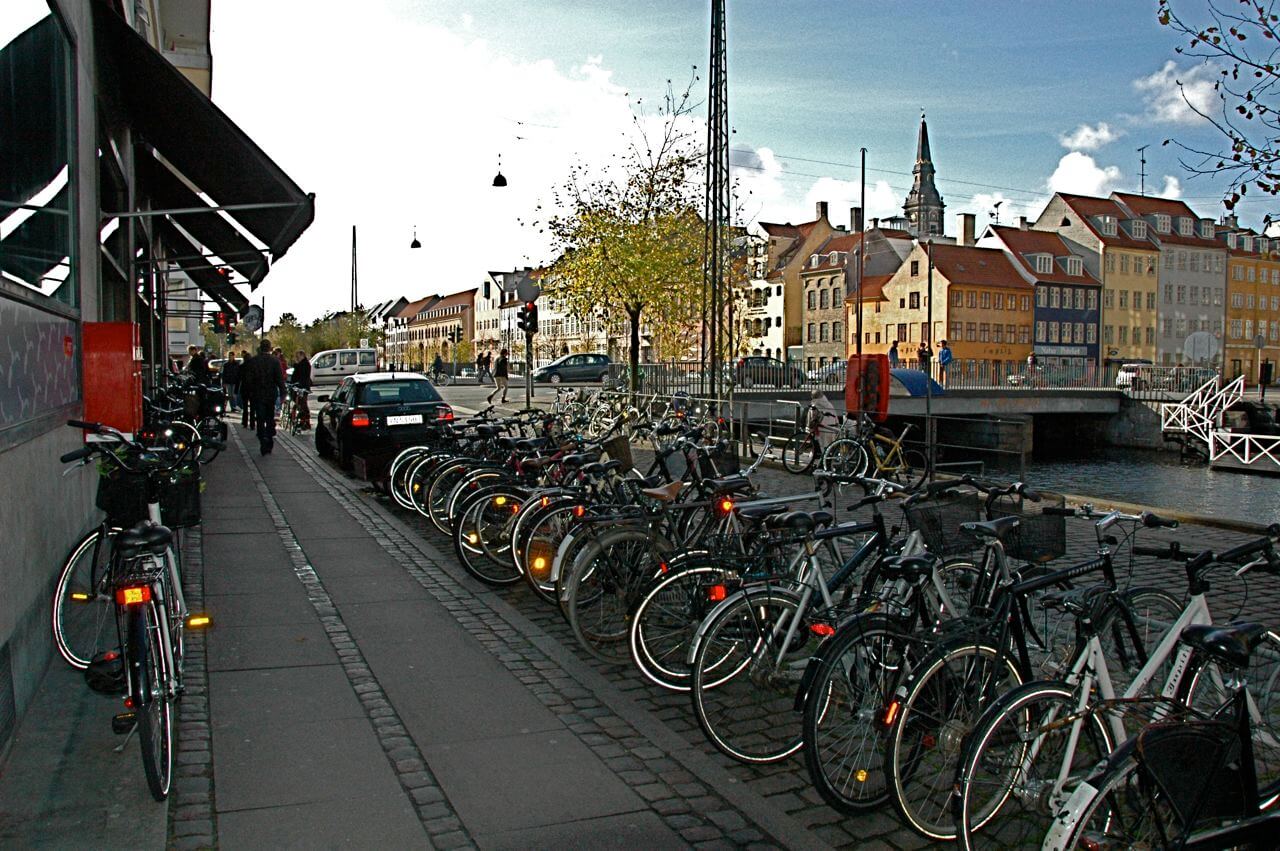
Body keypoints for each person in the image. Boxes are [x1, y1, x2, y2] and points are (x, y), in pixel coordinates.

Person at [241, 339, 287, 455]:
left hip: (258, 394)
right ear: (269, 348)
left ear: (260, 348)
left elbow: (249, 379)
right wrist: (283, 392)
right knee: (269, 417)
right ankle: (269, 438)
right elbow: (279, 378)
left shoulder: (254, 361)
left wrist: (249, 392)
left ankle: (262, 439)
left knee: (260, 418)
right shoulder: (274, 361)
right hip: (270, 394)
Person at [292, 349, 312, 430]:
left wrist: (296, 366)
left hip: (303, 387)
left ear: (302, 356)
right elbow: (295, 376)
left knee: (303, 405)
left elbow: (302, 376)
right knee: (300, 404)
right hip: (299, 386)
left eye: (298, 356)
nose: (297, 358)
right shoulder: (301, 364)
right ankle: (302, 421)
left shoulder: (305, 364)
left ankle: (305, 422)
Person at [240, 351, 255, 429]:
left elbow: (238, 379)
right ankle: (252, 424)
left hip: (244, 388)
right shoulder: (254, 367)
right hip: (252, 389)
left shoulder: (242, 366)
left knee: (245, 407)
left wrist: (236, 390)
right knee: (252, 407)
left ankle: (244, 422)